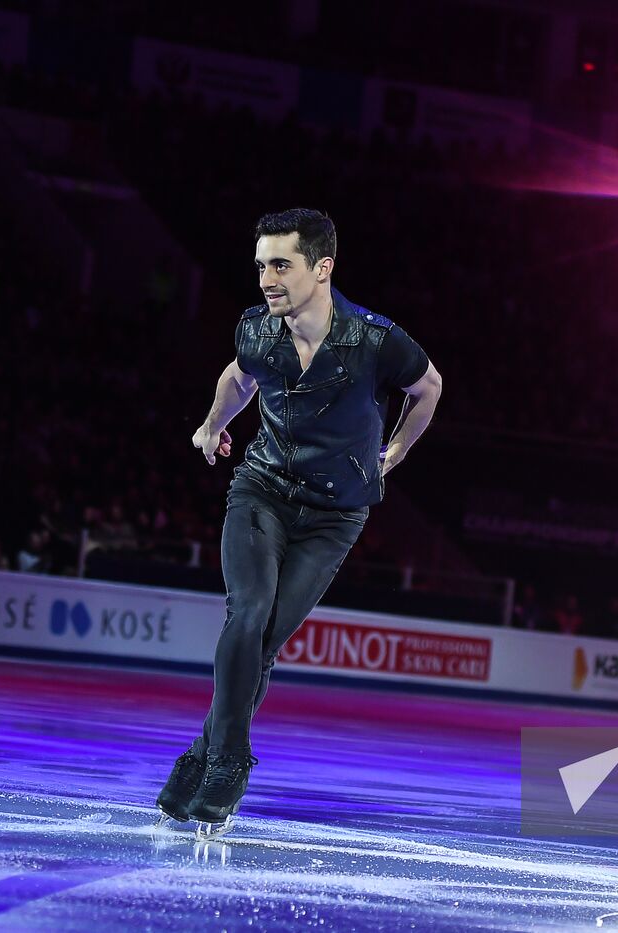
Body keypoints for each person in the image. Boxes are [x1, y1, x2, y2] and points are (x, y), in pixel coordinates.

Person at [155, 208, 443, 836]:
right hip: (261, 490)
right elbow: (239, 376)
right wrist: (213, 424)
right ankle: (230, 762)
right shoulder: (258, 331)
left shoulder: (374, 340)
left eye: (281, 265)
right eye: (260, 265)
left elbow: (430, 389)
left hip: (335, 516)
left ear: (322, 268)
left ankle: (202, 754)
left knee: (264, 641)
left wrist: (394, 453)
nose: (267, 279)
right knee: (248, 611)